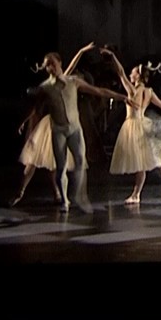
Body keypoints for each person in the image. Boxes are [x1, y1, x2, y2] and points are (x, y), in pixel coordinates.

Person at [32, 43, 130, 213]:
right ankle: (65, 200)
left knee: (80, 161)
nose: (51, 68)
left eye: (53, 63)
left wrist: (122, 97)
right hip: (58, 130)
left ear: (60, 63)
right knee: (61, 166)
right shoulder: (45, 88)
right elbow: (37, 110)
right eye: (47, 65)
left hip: (74, 129)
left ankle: (80, 195)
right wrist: (32, 132)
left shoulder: (73, 81)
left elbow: (99, 91)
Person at [103, 50, 161, 205]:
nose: (129, 75)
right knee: (158, 158)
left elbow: (120, 72)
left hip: (133, 125)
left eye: (132, 73)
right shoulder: (149, 91)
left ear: (137, 76)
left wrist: (113, 57)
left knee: (142, 162)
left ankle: (137, 194)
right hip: (145, 124)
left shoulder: (132, 90)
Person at [10, 104, 62, 207]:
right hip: (43, 127)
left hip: (51, 126)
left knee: (51, 161)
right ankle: (20, 192)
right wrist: (24, 121)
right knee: (34, 161)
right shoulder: (45, 97)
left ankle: (56, 193)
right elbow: (35, 107)